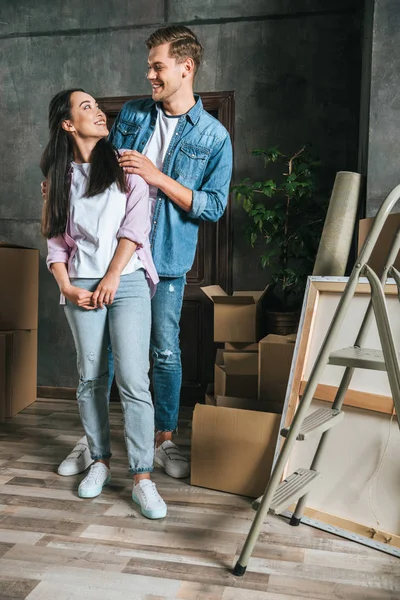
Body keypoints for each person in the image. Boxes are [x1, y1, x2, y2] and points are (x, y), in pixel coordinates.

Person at [55, 25, 233, 480]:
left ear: (185, 67)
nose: (149, 74)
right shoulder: (134, 114)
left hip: (167, 256)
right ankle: (95, 441)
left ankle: (164, 441)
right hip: (111, 255)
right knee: (104, 354)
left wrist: (158, 178)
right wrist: (56, 186)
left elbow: (213, 206)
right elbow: (92, 163)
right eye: (150, 66)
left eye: (157, 66)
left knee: (163, 352)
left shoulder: (213, 136)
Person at [42, 88, 167, 520]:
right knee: (91, 379)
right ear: (68, 124)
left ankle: (142, 479)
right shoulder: (57, 178)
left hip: (127, 280)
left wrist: (113, 276)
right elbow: (56, 244)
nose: (99, 111)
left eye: (97, 104)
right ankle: (99, 461)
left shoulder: (127, 166)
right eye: (86, 107)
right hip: (79, 284)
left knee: (134, 379)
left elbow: (136, 228)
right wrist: (68, 288)